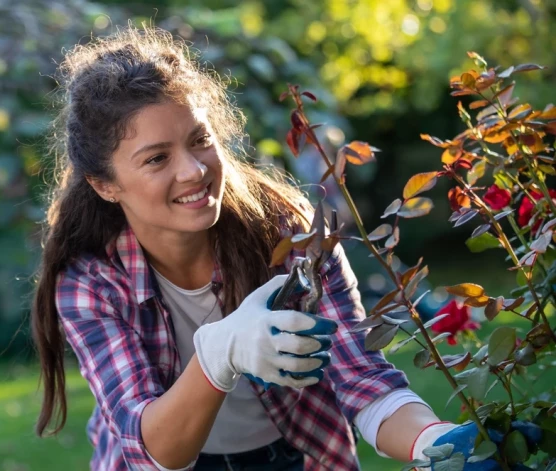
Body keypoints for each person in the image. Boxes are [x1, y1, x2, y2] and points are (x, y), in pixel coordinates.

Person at [31, 25, 504, 471]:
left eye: (200, 141)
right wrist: (219, 354)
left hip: (292, 453)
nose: (194, 170)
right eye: (157, 158)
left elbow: (361, 378)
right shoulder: (90, 280)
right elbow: (154, 452)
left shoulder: (290, 234)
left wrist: (436, 444)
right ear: (105, 185)